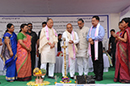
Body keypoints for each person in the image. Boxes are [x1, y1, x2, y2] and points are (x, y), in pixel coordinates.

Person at [86, 16, 105, 81]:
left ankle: (100, 76)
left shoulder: (100, 28)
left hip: (98, 45)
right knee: (94, 60)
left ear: (97, 21)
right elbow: (88, 36)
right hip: (92, 45)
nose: (92, 22)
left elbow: (101, 37)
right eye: (92, 21)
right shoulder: (91, 28)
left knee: (99, 60)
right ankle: (96, 74)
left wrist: (92, 39)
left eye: (93, 21)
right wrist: (89, 39)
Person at [113, 18, 130, 83]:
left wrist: (118, 37)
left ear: (127, 23)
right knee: (120, 63)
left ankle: (125, 78)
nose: (122, 24)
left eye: (123, 22)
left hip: (124, 49)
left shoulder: (126, 30)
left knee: (123, 63)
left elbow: (125, 40)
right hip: (121, 49)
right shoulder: (126, 30)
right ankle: (121, 77)